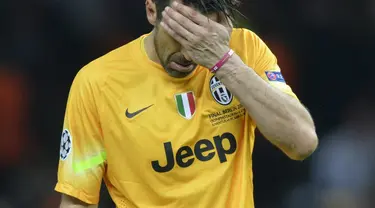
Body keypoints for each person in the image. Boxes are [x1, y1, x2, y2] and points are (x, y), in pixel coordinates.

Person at [55, 0, 318, 207]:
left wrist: (223, 61)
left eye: (202, 38)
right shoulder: (97, 84)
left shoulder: (243, 51)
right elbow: (79, 199)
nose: (190, 52)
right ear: (151, 11)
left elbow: (302, 142)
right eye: (181, 33)